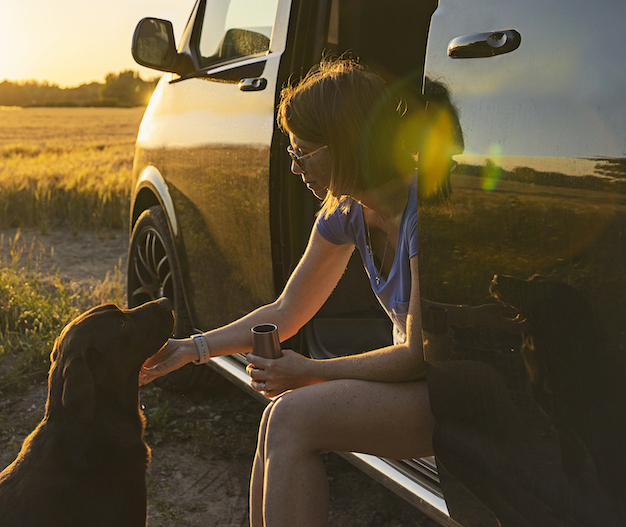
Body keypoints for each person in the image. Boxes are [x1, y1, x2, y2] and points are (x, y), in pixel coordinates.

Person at [137, 58, 434, 527]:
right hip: (413, 389)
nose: (294, 168)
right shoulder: (348, 211)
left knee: (293, 417)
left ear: (347, 144)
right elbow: (288, 309)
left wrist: (310, 371)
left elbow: (420, 354)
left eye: (302, 153)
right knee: (279, 417)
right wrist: (192, 348)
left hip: (454, 392)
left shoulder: (425, 213)